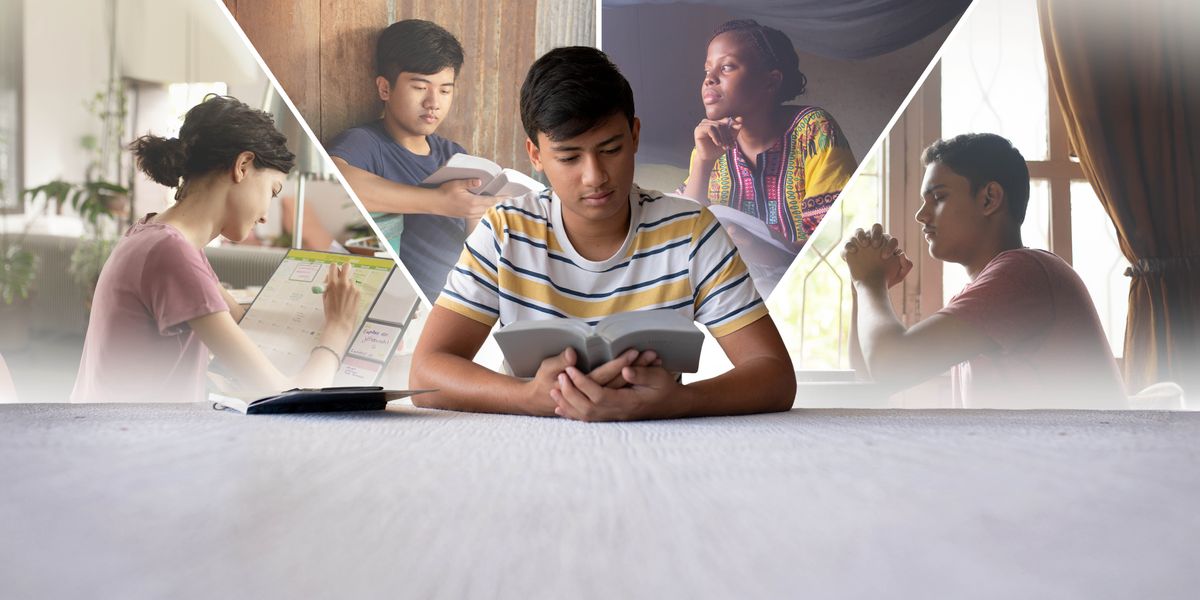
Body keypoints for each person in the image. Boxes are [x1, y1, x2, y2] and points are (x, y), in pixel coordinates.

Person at [410, 46, 796, 421]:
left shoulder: (691, 231)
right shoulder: (505, 230)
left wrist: (679, 401)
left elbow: (774, 374)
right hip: (531, 441)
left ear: (635, 135)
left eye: (611, 149)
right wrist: (527, 397)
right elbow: (426, 373)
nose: (594, 177)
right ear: (535, 154)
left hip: (658, 444)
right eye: (569, 157)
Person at [71, 95, 360, 403]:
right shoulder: (170, 253)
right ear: (243, 165)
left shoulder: (156, 235)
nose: (265, 215)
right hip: (132, 431)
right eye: (272, 191)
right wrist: (338, 329)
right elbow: (287, 397)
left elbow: (240, 323)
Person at [843, 133, 1126, 408]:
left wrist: (870, 280)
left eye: (938, 197)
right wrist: (861, 285)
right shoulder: (987, 291)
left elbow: (891, 367)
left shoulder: (1023, 274)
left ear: (989, 198)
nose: (921, 215)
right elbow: (870, 378)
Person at [327, 19, 499, 302]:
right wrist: (439, 201)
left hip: (465, 300)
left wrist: (476, 212)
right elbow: (334, 181)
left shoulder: (453, 154)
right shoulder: (366, 144)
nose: (433, 102)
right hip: (413, 305)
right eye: (420, 87)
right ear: (385, 88)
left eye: (445, 90)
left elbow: (476, 251)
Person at [680, 19, 857, 285]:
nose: (709, 79)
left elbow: (836, 238)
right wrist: (704, 162)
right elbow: (684, 234)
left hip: (810, 287)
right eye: (707, 70)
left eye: (726, 67)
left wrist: (762, 250)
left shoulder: (813, 131)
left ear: (770, 81)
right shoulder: (709, 144)